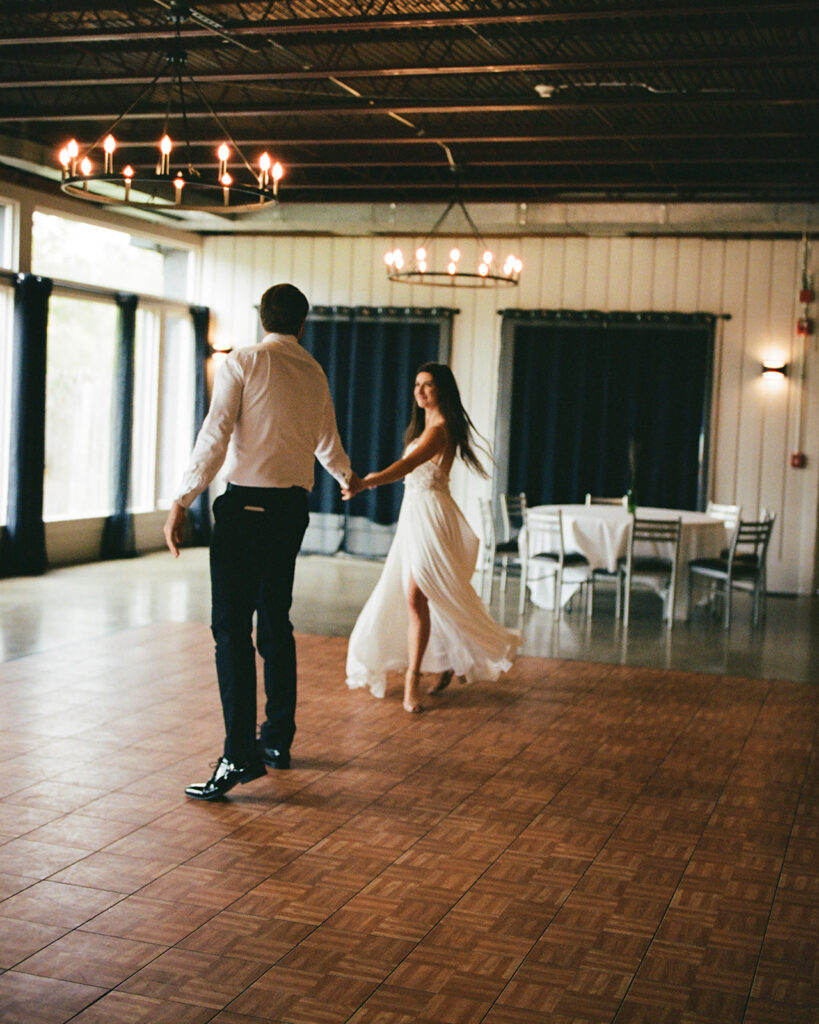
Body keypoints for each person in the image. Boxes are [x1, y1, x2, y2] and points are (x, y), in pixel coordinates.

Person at [164, 283, 359, 800]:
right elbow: (327, 441)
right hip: (292, 510)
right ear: (302, 323)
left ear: (261, 317)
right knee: (275, 618)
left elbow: (217, 431)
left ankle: (238, 756)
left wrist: (183, 499)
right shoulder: (313, 370)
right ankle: (276, 740)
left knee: (230, 628)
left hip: (246, 507)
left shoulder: (244, 362)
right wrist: (345, 476)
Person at [343, 362, 520, 712]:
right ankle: (445, 664)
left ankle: (413, 680)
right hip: (415, 515)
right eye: (417, 385)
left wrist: (366, 481)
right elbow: (409, 466)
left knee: (417, 594)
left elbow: (407, 467)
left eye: (428, 385)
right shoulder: (424, 427)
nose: (420, 391)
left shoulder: (439, 430)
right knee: (420, 598)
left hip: (433, 518)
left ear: (442, 390)